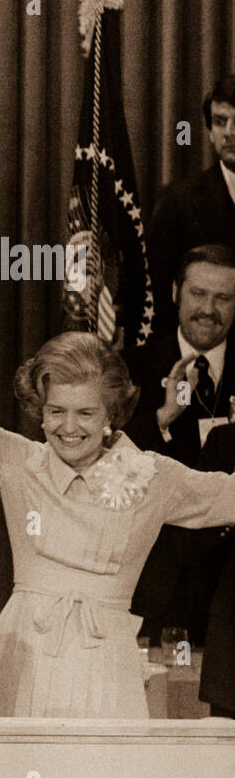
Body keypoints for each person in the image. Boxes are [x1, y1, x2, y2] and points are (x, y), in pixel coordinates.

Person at [0, 223, 235, 718]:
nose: (68, 428)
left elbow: (228, 494)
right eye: (56, 411)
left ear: (112, 415)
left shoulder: (153, 477)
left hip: (107, 666)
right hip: (20, 656)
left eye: (86, 413)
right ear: (39, 410)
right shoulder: (18, 461)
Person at [124, 244, 235, 645]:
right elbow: (100, 459)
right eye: (198, 294)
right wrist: (163, 418)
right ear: (175, 292)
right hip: (157, 588)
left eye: (223, 297)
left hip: (227, 591)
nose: (209, 309)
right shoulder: (132, 365)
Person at [146, 74, 235, 333]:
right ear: (209, 132)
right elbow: (159, 299)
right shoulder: (179, 201)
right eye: (220, 122)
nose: (230, 132)